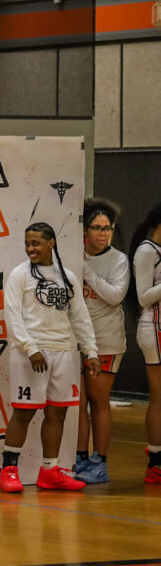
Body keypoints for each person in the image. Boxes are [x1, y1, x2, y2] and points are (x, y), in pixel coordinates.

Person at [0, 222, 100, 493]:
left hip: (64, 352)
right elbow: (12, 314)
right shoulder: (19, 275)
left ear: (51, 243)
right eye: (27, 243)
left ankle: (50, 471)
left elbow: (79, 315)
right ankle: (9, 471)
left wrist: (90, 350)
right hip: (32, 353)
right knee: (24, 412)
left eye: (36, 243)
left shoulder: (67, 276)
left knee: (57, 412)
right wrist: (30, 348)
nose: (31, 248)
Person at [74, 198, 129, 483]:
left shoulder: (118, 259)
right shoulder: (74, 255)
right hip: (77, 341)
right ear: (85, 230)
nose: (103, 233)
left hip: (106, 340)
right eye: (97, 227)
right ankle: (80, 457)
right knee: (77, 402)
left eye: (107, 228)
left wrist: (88, 273)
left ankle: (100, 461)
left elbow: (114, 295)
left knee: (99, 401)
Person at [128, 202, 161, 484]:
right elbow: (143, 297)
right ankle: (156, 462)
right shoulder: (148, 250)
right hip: (155, 327)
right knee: (159, 397)